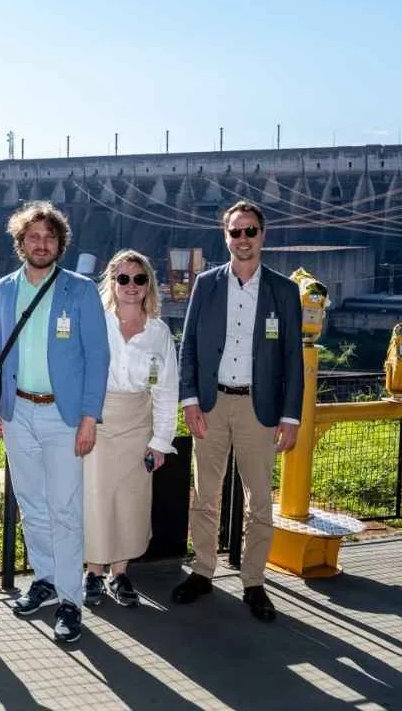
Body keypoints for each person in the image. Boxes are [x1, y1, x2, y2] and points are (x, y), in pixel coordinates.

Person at [0, 201, 109, 644]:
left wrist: (90, 416)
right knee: (32, 503)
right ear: (20, 243)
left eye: (49, 237)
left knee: (65, 509)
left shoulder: (80, 290)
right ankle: (46, 580)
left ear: (60, 244)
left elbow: (98, 357)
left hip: (63, 416)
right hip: (18, 413)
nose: (41, 244)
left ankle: (71, 601)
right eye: (33, 237)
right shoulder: (2, 290)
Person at [172, 201, 303, 622]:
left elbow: (292, 359)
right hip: (211, 404)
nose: (242, 239)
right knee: (205, 495)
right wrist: (189, 400)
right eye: (235, 232)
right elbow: (188, 345)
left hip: (258, 407)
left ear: (263, 235)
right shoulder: (207, 284)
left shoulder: (283, 291)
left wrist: (291, 416)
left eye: (250, 231)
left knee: (260, 501)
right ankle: (203, 571)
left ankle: (253, 581)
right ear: (224, 236)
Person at [82, 250, 178, 608]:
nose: (131, 286)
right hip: (98, 421)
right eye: (123, 278)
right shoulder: (96, 323)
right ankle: (92, 572)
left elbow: (167, 391)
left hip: (139, 424)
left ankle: (119, 573)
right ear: (112, 282)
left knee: (131, 503)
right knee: (95, 499)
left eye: (139, 279)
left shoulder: (158, 333)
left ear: (148, 284)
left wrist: (161, 442)